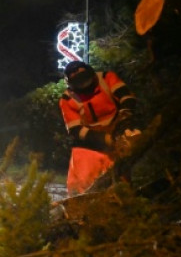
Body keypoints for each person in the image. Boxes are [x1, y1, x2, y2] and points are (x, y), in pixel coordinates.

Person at [59, 61, 139, 196]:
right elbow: (76, 130)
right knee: (83, 171)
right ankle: (82, 197)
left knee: (121, 169)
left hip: (118, 123)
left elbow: (127, 97)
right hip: (91, 138)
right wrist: (105, 139)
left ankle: (124, 195)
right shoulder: (67, 100)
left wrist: (125, 118)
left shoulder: (107, 78)